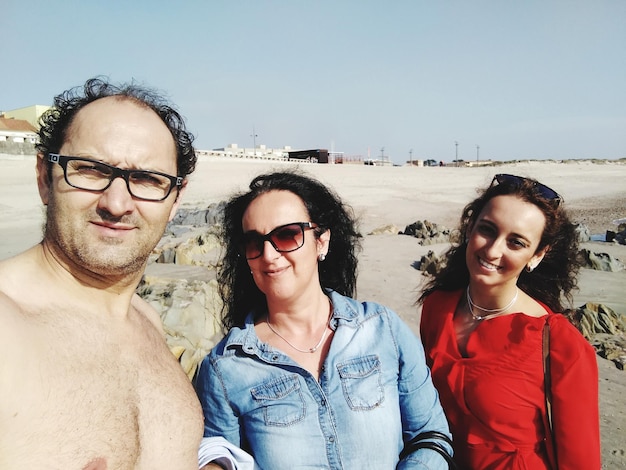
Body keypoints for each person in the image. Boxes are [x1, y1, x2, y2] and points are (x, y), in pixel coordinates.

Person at [0, 77, 232, 470]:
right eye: (90, 169)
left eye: (147, 179)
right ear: (44, 176)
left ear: (175, 200)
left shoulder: (148, 323)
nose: (118, 203)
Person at [194, 170, 453, 469]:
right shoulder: (225, 369)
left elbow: (430, 434)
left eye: (287, 234)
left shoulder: (383, 330)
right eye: (254, 242)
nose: (269, 254)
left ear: (322, 242)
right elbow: (223, 459)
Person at [418, 174, 601, 469]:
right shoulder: (437, 308)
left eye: (516, 243)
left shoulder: (559, 342)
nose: (492, 251)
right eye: (487, 230)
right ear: (470, 228)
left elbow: (581, 460)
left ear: (537, 255)